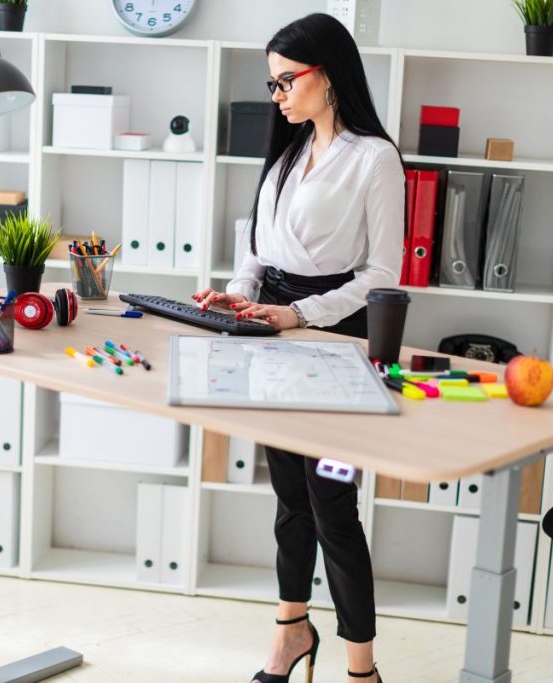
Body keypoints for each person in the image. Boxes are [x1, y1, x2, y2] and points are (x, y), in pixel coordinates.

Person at [192, 13, 404, 683]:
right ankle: (291, 632)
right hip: (273, 337)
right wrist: (237, 295)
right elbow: (257, 251)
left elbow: (382, 275)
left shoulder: (375, 158)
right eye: (273, 83)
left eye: (287, 80)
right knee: (289, 496)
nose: (277, 95)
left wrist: (299, 313)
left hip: (336, 345)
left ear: (328, 75)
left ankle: (362, 669)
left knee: (333, 503)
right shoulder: (288, 152)